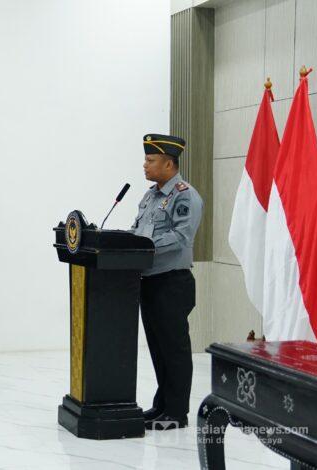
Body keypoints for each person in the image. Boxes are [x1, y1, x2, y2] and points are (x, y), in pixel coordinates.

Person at [131, 133, 203, 431]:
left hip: (172, 283)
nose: (145, 165)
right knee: (158, 349)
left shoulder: (185, 196)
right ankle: (162, 405)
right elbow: (137, 231)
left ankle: (176, 412)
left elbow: (180, 237)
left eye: (150, 160)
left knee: (174, 350)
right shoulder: (151, 196)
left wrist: (142, 248)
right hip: (148, 281)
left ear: (169, 164)